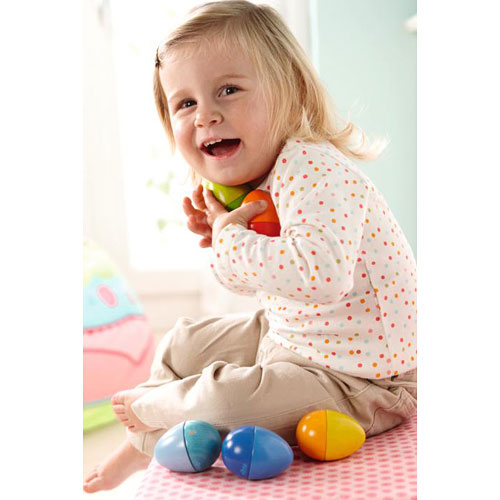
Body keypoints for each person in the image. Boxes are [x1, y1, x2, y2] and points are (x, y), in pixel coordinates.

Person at [83, 0, 417, 493]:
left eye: (229, 90)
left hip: (362, 379)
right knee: (181, 341)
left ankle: (152, 415)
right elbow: (258, 282)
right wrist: (222, 242)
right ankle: (148, 441)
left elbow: (321, 277)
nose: (206, 116)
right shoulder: (260, 180)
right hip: (294, 337)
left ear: (289, 92)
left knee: (225, 404)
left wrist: (231, 239)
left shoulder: (313, 171)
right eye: (185, 103)